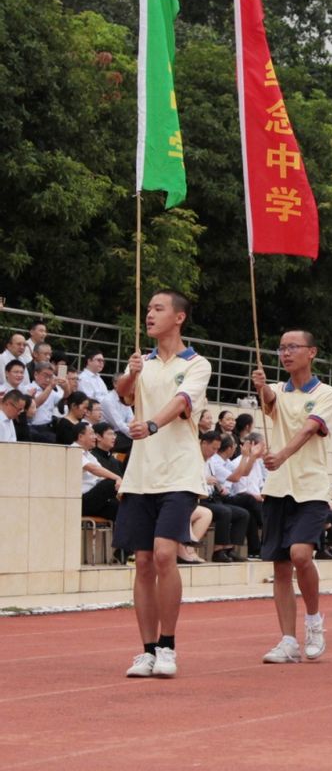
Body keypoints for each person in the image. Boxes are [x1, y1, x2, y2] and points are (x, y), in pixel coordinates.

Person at [112, 290, 212, 680]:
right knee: (142, 561)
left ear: (179, 317)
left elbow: (183, 402)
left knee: (165, 554)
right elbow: (123, 394)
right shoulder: (144, 362)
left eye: (158, 309)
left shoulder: (197, 364)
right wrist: (132, 373)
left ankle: (169, 645)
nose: (150, 315)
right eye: (148, 309)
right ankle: (147, 650)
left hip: (179, 472)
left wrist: (151, 424)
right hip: (140, 475)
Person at [251, 331, 332, 665]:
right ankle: (287, 639)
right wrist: (261, 385)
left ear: (311, 352)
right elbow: (270, 401)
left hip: (311, 488)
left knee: (301, 554)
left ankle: (314, 620)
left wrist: (282, 455)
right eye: (282, 348)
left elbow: (308, 429)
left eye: (293, 347)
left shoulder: (327, 393)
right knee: (281, 566)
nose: (286, 353)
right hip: (278, 489)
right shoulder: (276, 391)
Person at [200, 431, 252, 562]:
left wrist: (250, 456)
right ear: (204, 444)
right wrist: (205, 480)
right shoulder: (199, 460)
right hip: (201, 499)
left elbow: (242, 473)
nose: (215, 452)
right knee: (225, 512)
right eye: (213, 449)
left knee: (243, 514)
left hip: (214, 496)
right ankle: (218, 551)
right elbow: (235, 477)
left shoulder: (211, 461)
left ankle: (229, 549)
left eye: (217, 449)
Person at [76, 421, 122, 521]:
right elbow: (94, 469)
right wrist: (118, 478)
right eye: (92, 434)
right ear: (80, 436)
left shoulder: (90, 455)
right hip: (79, 501)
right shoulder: (73, 450)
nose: (95, 437)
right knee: (111, 483)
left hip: (94, 500)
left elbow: (101, 476)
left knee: (120, 510)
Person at [26, 361, 66, 442]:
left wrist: (66, 387)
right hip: (32, 428)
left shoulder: (52, 392)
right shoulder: (27, 388)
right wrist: (50, 387)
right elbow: (35, 404)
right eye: (45, 375)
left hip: (48, 427)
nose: (47, 379)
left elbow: (64, 400)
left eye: (50, 376)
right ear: (36, 375)